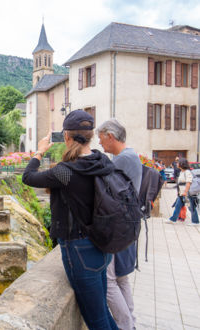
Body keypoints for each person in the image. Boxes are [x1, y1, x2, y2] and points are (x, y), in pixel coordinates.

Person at [22, 110, 118, 330]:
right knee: (102, 311)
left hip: (79, 249)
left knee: (96, 320)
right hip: (101, 246)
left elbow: (28, 177)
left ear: (66, 137)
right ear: (91, 135)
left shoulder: (66, 172)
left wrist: (39, 151)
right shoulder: (102, 161)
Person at [97, 119, 142, 330]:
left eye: (101, 138)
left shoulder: (123, 159)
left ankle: (125, 325)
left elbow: (99, 181)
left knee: (109, 282)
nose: (100, 143)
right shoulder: (130, 156)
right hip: (127, 225)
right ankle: (130, 323)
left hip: (118, 227)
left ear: (110, 136)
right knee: (121, 278)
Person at [166, 158, 200, 226]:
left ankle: (195, 222)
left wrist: (185, 192)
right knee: (177, 206)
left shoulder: (187, 172)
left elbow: (188, 183)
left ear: (181, 164)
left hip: (187, 194)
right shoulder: (182, 172)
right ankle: (173, 219)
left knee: (191, 207)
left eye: (178, 163)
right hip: (182, 193)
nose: (176, 164)